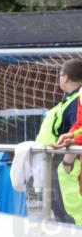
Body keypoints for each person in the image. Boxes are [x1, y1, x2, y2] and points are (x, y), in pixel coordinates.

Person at [39, 59, 82, 225]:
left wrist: (67, 162)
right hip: (60, 162)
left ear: (66, 78)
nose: (59, 79)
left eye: (60, 75)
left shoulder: (76, 98)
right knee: (62, 211)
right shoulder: (71, 99)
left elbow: (78, 126)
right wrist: (69, 136)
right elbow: (77, 127)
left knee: (69, 212)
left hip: (69, 165)